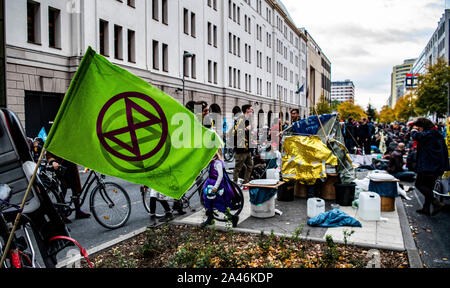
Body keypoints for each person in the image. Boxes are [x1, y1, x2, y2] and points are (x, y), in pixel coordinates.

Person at [411, 118, 450, 216]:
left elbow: (416, 136)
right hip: (436, 166)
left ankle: (436, 203)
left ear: (422, 126)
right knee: (428, 187)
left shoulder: (430, 134)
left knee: (419, 184)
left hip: (429, 166)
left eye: (419, 127)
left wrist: (414, 130)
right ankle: (426, 208)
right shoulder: (436, 133)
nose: (418, 129)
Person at [46, 151, 90, 221]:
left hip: (71, 164)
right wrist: (53, 162)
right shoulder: (55, 140)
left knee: (76, 187)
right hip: (60, 166)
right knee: (63, 189)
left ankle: (78, 211)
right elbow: (49, 154)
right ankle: (62, 213)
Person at [201, 150, 239, 228]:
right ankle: (210, 219)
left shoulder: (217, 163)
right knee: (209, 202)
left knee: (219, 203)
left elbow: (220, 176)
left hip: (215, 186)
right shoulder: (212, 161)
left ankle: (233, 218)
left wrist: (215, 187)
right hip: (210, 184)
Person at [233, 104, 254, 186]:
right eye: (251, 109)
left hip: (248, 148)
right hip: (241, 148)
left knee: (250, 166)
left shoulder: (248, 119)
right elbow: (235, 132)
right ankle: (234, 185)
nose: (252, 111)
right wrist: (246, 129)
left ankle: (246, 183)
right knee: (238, 168)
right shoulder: (240, 119)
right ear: (247, 110)